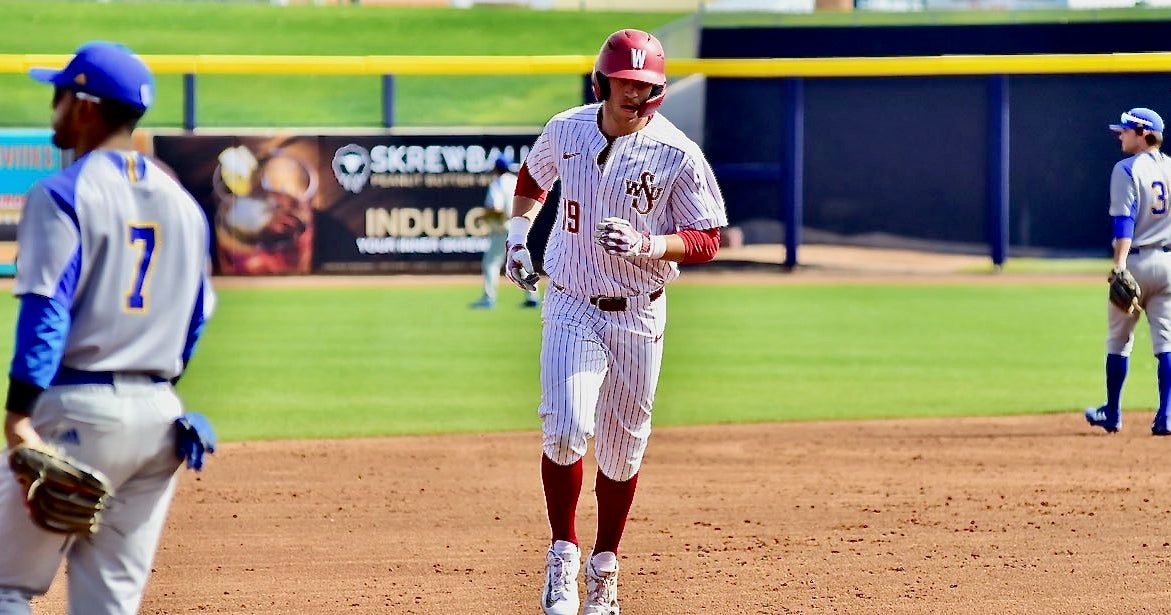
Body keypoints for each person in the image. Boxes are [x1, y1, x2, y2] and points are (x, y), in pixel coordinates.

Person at [504, 29, 727, 615]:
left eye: (646, 85)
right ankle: (563, 557)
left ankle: (605, 566)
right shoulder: (568, 128)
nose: (634, 93)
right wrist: (519, 238)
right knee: (565, 425)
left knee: (623, 453)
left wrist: (650, 243)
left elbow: (707, 239)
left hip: (638, 313)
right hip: (572, 300)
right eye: (625, 82)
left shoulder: (677, 152)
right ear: (602, 81)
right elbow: (533, 177)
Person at [0, 41, 217, 613]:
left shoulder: (63, 192)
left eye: (60, 94)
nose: (54, 106)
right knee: (108, 606)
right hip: (160, 422)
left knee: (5, 584)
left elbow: (47, 306)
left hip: (76, 411)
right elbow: (196, 318)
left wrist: (19, 412)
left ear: (87, 106)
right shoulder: (185, 203)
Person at [1086, 106, 1171, 436]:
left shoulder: (1126, 169)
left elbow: (1124, 222)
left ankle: (1113, 413)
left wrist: (1119, 265)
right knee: (1166, 343)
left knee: (1118, 342)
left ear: (1142, 133)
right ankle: (1166, 415)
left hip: (1135, 261)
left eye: (1125, 131)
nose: (1120, 135)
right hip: (1166, 263)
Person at [471, 155, 540, 309]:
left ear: (496, 168)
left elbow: (496, 207)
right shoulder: (514, 181)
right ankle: (532, 296)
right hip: (517, 226)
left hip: (502, 227)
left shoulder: (498, 183)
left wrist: (483, 215)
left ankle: (489, 298)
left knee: (490, 263)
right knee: (518, 261)